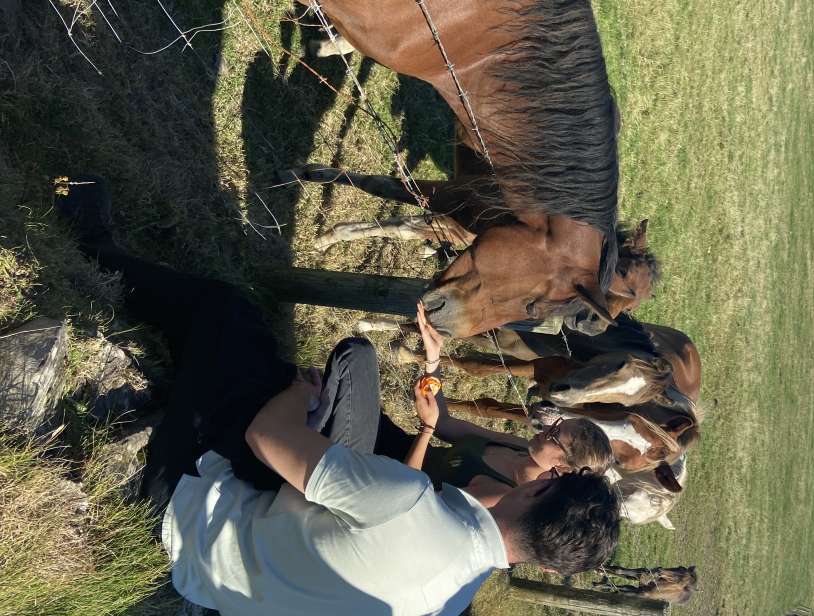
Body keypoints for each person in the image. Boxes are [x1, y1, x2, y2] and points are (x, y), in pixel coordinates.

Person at [54, 175, 621, 616]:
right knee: (264, 367)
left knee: (226, 313)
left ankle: (94, 246)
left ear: (543, 486)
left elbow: (266, 436)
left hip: (185, 505)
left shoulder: (409, 500)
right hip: (214, 581)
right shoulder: (447, 604)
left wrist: (299, 397)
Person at [376, 304, 616, 507]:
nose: (544, 429)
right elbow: (446, 425)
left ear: (563, 468)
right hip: (394, 446)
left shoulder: (503, 496)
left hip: (382, 482)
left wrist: (426, 430)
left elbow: (413, 504)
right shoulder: (521, 448)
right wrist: (433, 359)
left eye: (554, 435)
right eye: (555, 425)